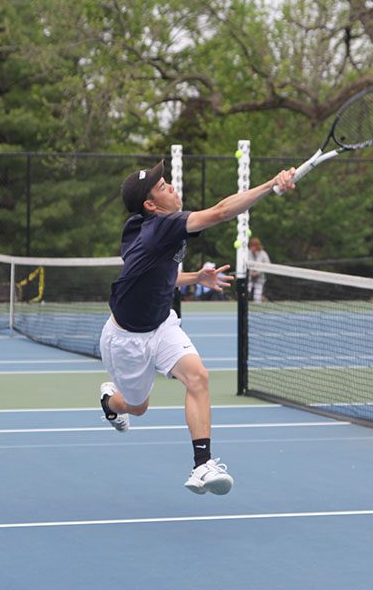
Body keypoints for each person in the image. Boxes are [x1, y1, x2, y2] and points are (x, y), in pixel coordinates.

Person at [99, 159, 295, 495]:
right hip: (126, 340)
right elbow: (220, 212)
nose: (172, 187)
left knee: (198, 376)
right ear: (150, 205)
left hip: (161, 325)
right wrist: (270, 185)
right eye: (163, 187)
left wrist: (194, 278)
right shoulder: (161, 227)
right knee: (138, 407)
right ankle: (109, 403)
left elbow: (157, 276)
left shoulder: (137, 226)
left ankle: (202, 465)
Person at [247, 237, 270, 303]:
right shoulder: (247, 253)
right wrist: (251, 272)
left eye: (254, 246)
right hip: (249, 279)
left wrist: (258, 272)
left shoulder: (263, 254)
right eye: (251, 246)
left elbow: (268, 266)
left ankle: (261, 299)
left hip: (260, 279)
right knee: (246, 292)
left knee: (257, 297)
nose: (252, 248)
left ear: (257, 246)